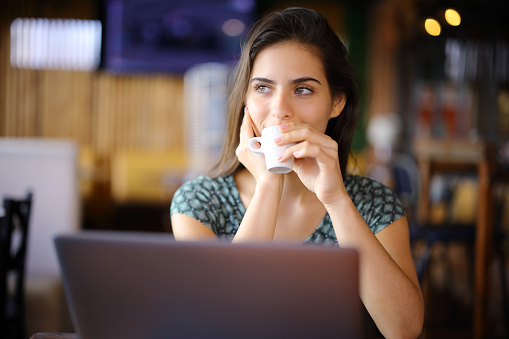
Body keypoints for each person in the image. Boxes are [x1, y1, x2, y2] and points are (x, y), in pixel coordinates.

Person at [170, 7, 424, 338]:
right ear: (245, 100)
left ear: (336, 103)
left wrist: (336, 200)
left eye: (302, 89)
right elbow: (224, 320)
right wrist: (268, 183)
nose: (279, 110)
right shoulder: (200, 202)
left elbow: (403, 329)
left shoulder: (375, 204)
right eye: (262, 88)